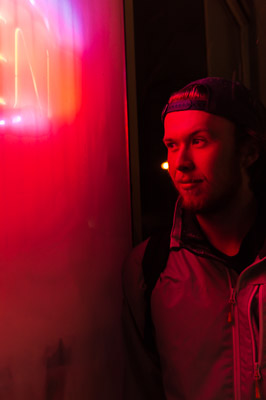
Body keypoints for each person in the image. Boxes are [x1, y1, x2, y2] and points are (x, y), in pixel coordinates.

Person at [122, 77, 266, 400]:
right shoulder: (150, 269)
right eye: (172, 145)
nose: (181, 163)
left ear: (249, 151)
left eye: (199, 141)